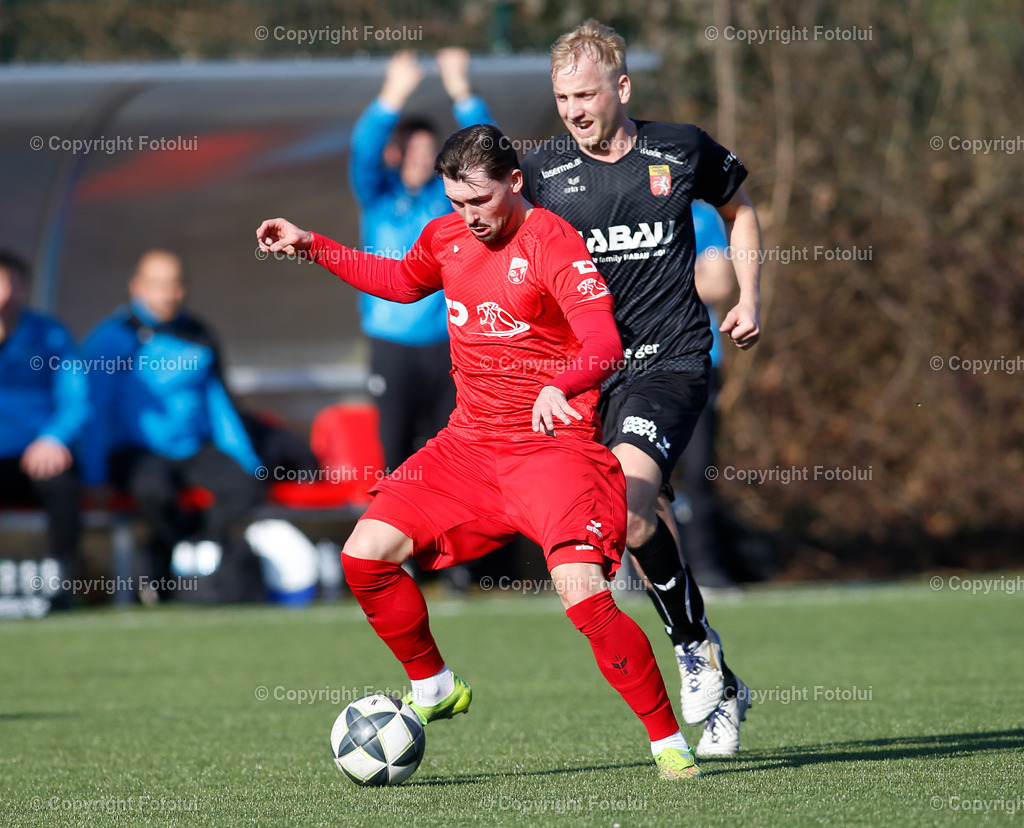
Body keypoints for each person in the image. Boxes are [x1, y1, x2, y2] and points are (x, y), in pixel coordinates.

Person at [257, 124, 704, 780]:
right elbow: (401, 282)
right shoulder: (445, 236)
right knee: (363, 557)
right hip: (467, 447)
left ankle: (668, 742)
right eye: (456, 203)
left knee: (583, 595)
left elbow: (603, 344)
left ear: (515, 182)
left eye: (479, 202)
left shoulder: (550, 239)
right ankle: (435, 685)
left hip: (553, 451)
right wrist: (311, 246)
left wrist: (562, 383)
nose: (467, 218)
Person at [521, 20, 762, 756]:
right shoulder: (544, 174)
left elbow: (740, 208)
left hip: (674, 363)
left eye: (586, 94)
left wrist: (749, 298)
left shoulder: (680, 148)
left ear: (621, 88)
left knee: (629, 512)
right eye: (562, 97)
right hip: (595, 379)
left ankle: (692, 649)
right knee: (631, 529)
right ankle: (718, 670)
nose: (574, 109)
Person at [80, 250, 264, 597]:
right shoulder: (112, 338)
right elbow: (95, 411)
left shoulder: (199, 334)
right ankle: (167, 554)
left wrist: (247, 459)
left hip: (192, 448)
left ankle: (195, 546)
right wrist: (94, 475)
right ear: (136, 287)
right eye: (158, 285)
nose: (169, 293)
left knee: (245, 485)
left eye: (176, 284)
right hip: (137, 452)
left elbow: (218, 404)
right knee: (152, 490)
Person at [350, 49, 493, 475]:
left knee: (447, 453)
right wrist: (392, 95)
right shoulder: (377, 195)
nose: (418, 159)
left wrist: (461, 90)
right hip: (390, 347)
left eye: (427, 152)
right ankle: (396, 535)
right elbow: (362, 150)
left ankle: (446, 540)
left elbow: (490, 154)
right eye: (410, 150)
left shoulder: (447, 201)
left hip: (444, 346)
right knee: (395, 455)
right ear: (395, 153)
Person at [0, 250, 87, 591]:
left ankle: (65, 583)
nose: (4, 295)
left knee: (61, 486)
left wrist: (53, 437)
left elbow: (75, 400)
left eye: (11, 285)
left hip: (36, 457)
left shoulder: (51, 335)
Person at [672, 200, 740, 591]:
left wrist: (650, 280)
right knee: (630, 475)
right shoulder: (621, 201)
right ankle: (633, 575)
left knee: (700, 473)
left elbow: (717, 283)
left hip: (699, 361)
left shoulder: (701, 215)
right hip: (634, 363)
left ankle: (708, 569)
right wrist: (687, 272)